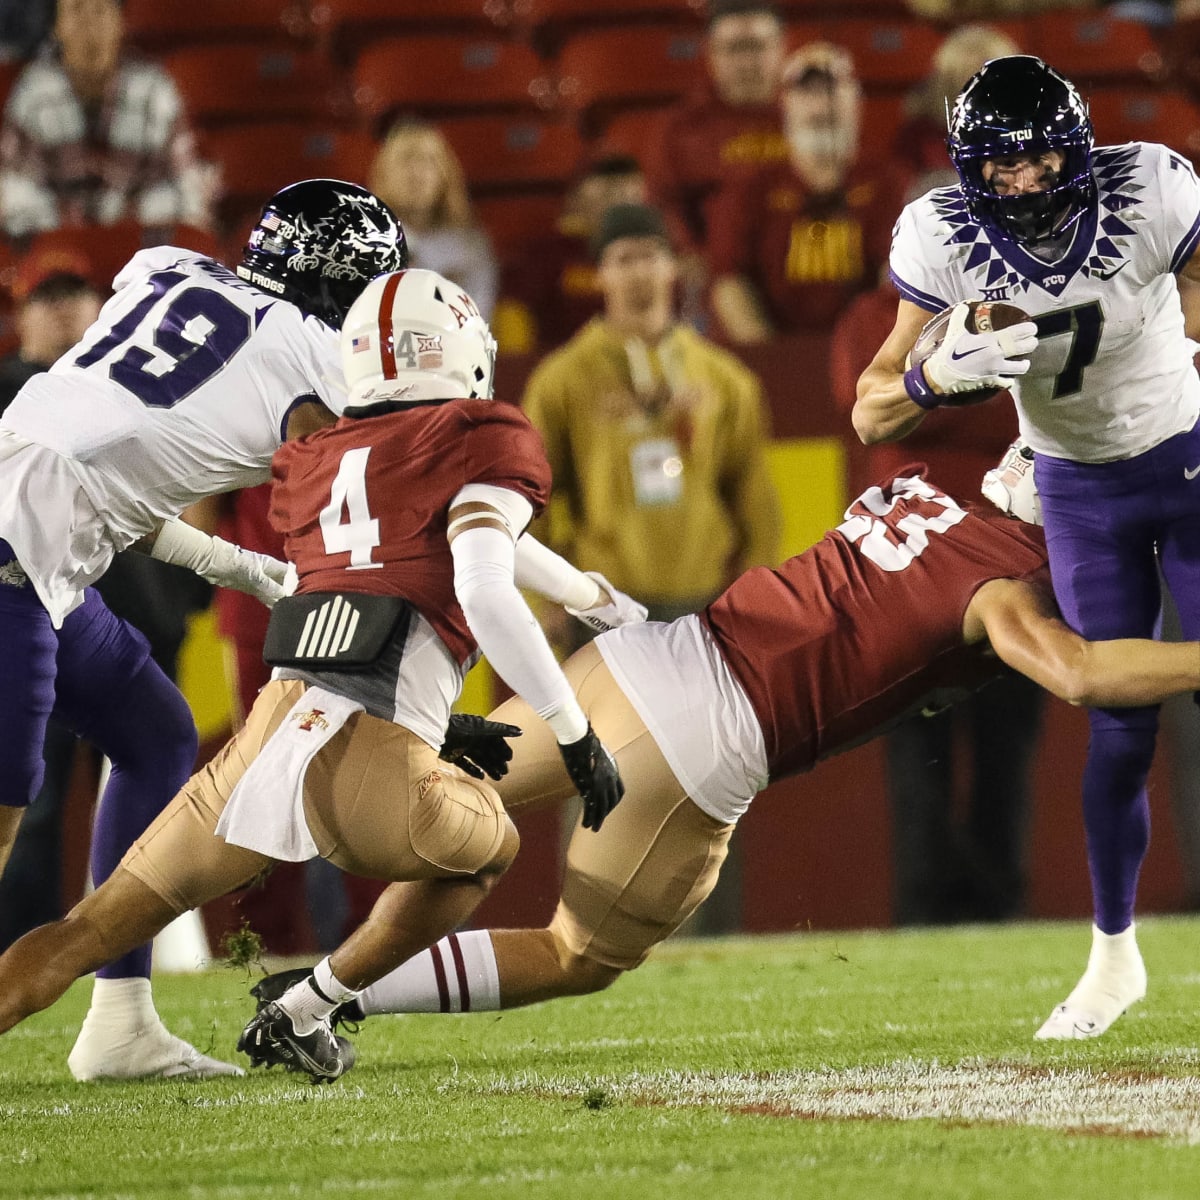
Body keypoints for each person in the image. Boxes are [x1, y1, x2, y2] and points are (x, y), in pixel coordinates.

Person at [243, 445, 1200, 1040]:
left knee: (438, 792)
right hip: (709, 736)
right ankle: (334, 995)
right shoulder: (1004, 587)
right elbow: (1079, 674)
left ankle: (267, 920)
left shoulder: (923, 489)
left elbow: (878, 615)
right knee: (580, 953)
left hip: (647, 654)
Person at [0, 268, 644, 1083]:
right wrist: (574, 732)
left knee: (85, 932)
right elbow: (481, 575)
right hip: (376, 765)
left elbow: (355, 599)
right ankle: (310, 1004)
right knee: (490, 845)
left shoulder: (314, 456)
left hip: (266, 741)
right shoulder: (480, 435)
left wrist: (589, 597)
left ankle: (137, 1017)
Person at [0, 176, 407, 1080]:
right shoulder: (313, 357)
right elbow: (353, 487)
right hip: (12, 569)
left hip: (39, 549)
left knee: (155, 733)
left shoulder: (164, 271)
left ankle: (120, 1024)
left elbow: (111, 460)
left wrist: (245, 569)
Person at [851, 55, 1200, 1038]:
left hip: (1188, 462)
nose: (1024, 182)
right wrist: (930, 381)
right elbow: (870, 411)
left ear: (1077, 147)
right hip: (1080, 490)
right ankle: (1113, 960)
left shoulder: (1154, 187)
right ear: (968, 172)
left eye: (1041, 157)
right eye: (999, 169)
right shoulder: (941, 234)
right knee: (1115, 723)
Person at [831, 277, 1045, 924]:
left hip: (1007, 553)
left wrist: (935, 392)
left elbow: (1029, 414)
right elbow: (866, 409)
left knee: (1004, 744)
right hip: (911, 565)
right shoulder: (873, 316)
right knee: (918, 754)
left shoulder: (1027, 304)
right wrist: (943, 382)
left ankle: (998, 906)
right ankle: (923, 908)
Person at [522, 201, 780, 635]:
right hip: (602, 603)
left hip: (703, 599)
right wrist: (542, 598)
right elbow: (532, 496)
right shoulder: (562, 381)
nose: (639, 273)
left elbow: (753, 493)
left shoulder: (725, 379)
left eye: (650, 256)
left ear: (673, 268)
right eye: (624, 260)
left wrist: (757, 589)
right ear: (599, 272)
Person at [708, 42, 897, 343]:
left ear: (857, 101)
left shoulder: (886, 182)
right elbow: (729, 282)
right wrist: (771, 357)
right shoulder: (752, 189)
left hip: (867, 351)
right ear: (784, 104)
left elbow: (896, 278)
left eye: (832, 90)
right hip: (778, 351)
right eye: (807, 93)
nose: (821, 105)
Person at [0, 0, 213, 239]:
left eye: (100, 10)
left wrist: (124, 238)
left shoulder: (155, 87)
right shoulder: (34, 92)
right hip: (59, 256)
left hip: (143, 252)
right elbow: (19, 196)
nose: (89, 26)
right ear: (57, 26)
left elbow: (185, 190)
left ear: (121, 22)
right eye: (77, 10)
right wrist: (76, 243)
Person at [644, 0, 787, 262]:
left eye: (756, 46)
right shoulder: (682, 130)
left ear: (781, 47)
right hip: (713, 277)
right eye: (733, 49)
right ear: (711, 53)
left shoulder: (809, 115)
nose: (746, 63)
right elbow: (663, 209)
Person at [493, 153, 646, 355]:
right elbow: (513, 311)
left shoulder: (655, 254)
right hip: (563, 374)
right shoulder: (545, 254)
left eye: (626, 184)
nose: (618, 193)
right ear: (574, 195)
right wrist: (521, 368)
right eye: (607, 184)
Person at [368, 118, 498, 318]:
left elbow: (477, 320)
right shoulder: (362, 244)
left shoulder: (469, 246)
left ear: (446, 174)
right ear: (383, 173)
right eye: (405, 160)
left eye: (428, 161)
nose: (417, 174)